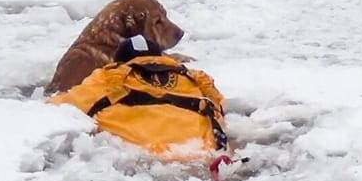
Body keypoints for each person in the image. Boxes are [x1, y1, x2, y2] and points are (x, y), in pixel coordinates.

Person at [48, 35, 228, 160]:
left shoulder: (107, 79)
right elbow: (218, 106)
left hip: (144, 159)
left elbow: (62, 106)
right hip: (203, 152)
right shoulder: (196, 79)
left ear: (120, 61)